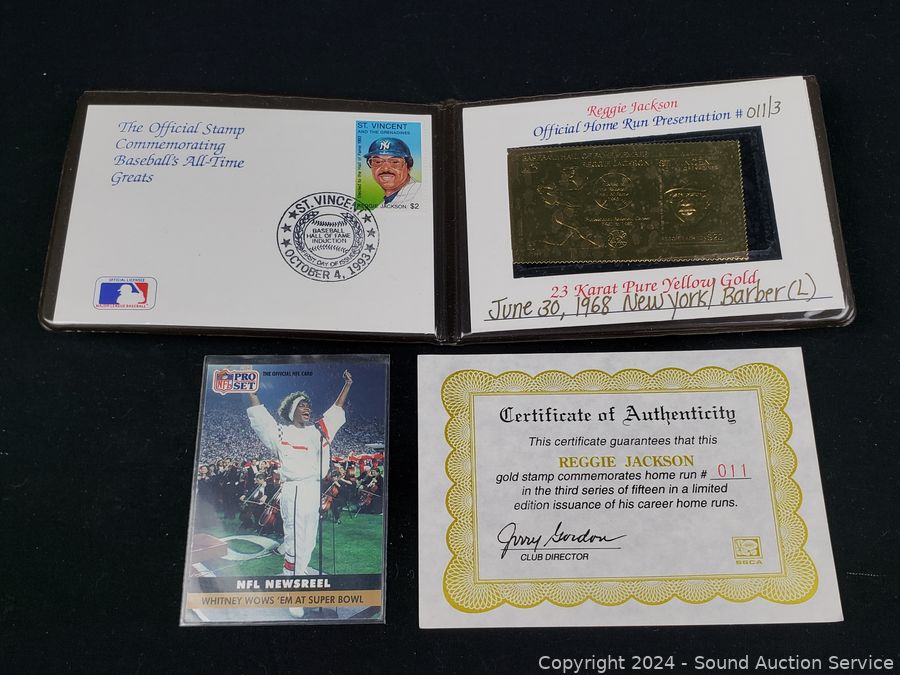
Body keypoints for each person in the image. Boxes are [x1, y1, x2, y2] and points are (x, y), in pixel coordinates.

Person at [245, 370, 352, 618]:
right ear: (292, 410)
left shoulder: (318, 431)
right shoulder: (281, 432)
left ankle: (300, 576)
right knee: (295, 540)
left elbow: (336, 410)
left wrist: (347, 385)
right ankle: (291, 590)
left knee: (309, 540)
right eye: (302, 405)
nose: (307, 408)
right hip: (293, 489)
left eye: (308, 405)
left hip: (313, 489)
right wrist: (251, 391)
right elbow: (261, 418)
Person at [364, 137, 421, 207]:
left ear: (409, 166)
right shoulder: (383, 205)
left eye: (395, 162)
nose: (385, 168)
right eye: (378, 162)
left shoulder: (420, 193)